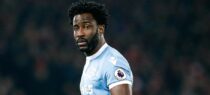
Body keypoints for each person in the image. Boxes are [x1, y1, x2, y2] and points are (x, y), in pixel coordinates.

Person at [68, 1, 133, 95]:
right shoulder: (92, 60)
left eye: (86, 27)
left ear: (100, 29)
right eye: (76, 28)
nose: (80, 33)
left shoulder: (113, 63)